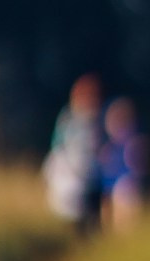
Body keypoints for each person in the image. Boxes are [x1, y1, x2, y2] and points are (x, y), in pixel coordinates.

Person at [43, 73, 105, 230]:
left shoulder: (101, 119)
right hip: (73, 179)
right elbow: (58, 145)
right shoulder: (68, 119)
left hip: (94, 178)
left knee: (93, 220)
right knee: (75, 219)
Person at [98, 97, 150, 230]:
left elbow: (140, 167)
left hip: (127, 189)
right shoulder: (109, 146)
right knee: (111, 224)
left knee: (126, 224)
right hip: (110, 189)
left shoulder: (133, 142)